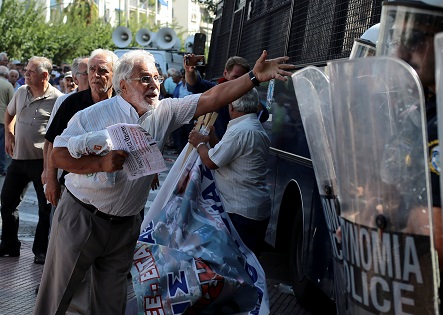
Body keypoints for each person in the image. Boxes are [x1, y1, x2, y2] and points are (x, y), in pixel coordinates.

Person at [34, 49, 293, 314]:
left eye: (157, 78)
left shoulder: (164, 111)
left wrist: (253, 77)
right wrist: (99, 163)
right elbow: (59, 154)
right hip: (82, 217)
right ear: (123, 85)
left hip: (125, 226)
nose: (155, 85)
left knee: (111, 304)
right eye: (145, 79)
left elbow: (210, 97)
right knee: (57, 295)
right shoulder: (92, 115)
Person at [42, 49, 117, 315]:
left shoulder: (125, 103)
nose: (97, 76)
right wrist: (50, 178)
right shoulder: (72, 103)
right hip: (75, 196)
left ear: (115, 74)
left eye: (103, 70)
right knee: (64, 266)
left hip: (114, 204)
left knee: (105, 282)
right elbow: (51, 143)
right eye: (93, 71)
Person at [188, 88, 271, 257]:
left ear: (231, 106)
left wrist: (199, 144)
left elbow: (211, 161)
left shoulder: (240, 130)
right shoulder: (252, 127)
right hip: (252, 207)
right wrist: (211, 138)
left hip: (241, 211)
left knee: (239, 266)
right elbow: (225, 155)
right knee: (248, 262)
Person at [0, 56, 62, 263]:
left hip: (41, 162)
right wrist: (9, 134)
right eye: (26, 70)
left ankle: (41, 251)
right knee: (7, 202)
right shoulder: (20, 92)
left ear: (44, 75)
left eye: (30, 71)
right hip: (17, 160)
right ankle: (9, 245)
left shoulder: (58, 99)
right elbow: (9, 115)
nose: (25, 74)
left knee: (45, 208)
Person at [0, 66, 15, 176]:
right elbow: (12, 104)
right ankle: (1, 168)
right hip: (2, 118)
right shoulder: (8, 85)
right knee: (1, 145)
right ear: (6, 75)